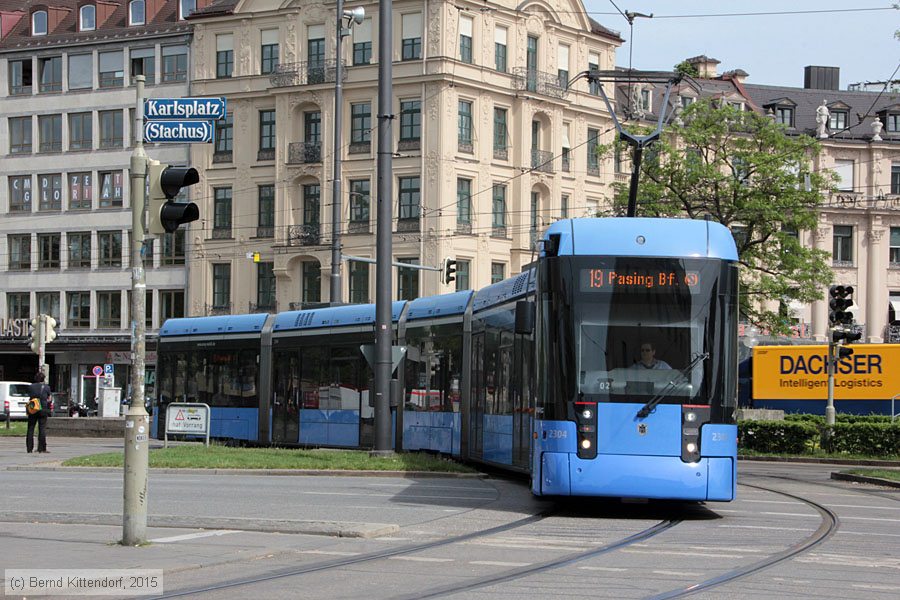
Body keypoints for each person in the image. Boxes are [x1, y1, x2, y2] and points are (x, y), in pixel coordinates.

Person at [26, 371, 51, 454]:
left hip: (33, 408)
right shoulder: (46, 387)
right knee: (42, 429)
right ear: (43, 379)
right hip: (43, 409)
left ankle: (29, 448)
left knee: (30, 428)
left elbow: (30, 396)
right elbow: (49, 399)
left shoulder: (31, 386)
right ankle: (41, 448)